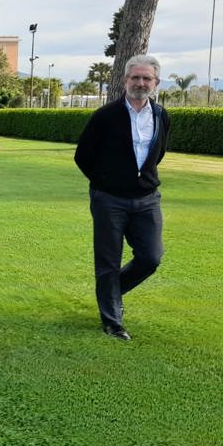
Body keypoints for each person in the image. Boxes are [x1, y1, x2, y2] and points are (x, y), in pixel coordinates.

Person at [75, 54, 170, 341]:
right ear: (125, 80)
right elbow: (83, 156)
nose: (140, 83)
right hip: (109, 199)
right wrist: (105, 183)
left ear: (156, 83)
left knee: (150, 257)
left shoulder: (161, 115)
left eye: (146, 78)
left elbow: (158, 152)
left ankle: (111, 293)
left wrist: (141, 179)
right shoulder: (106, 116)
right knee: (108, 260)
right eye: (135, 78)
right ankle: (113, 322)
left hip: (147, 198)